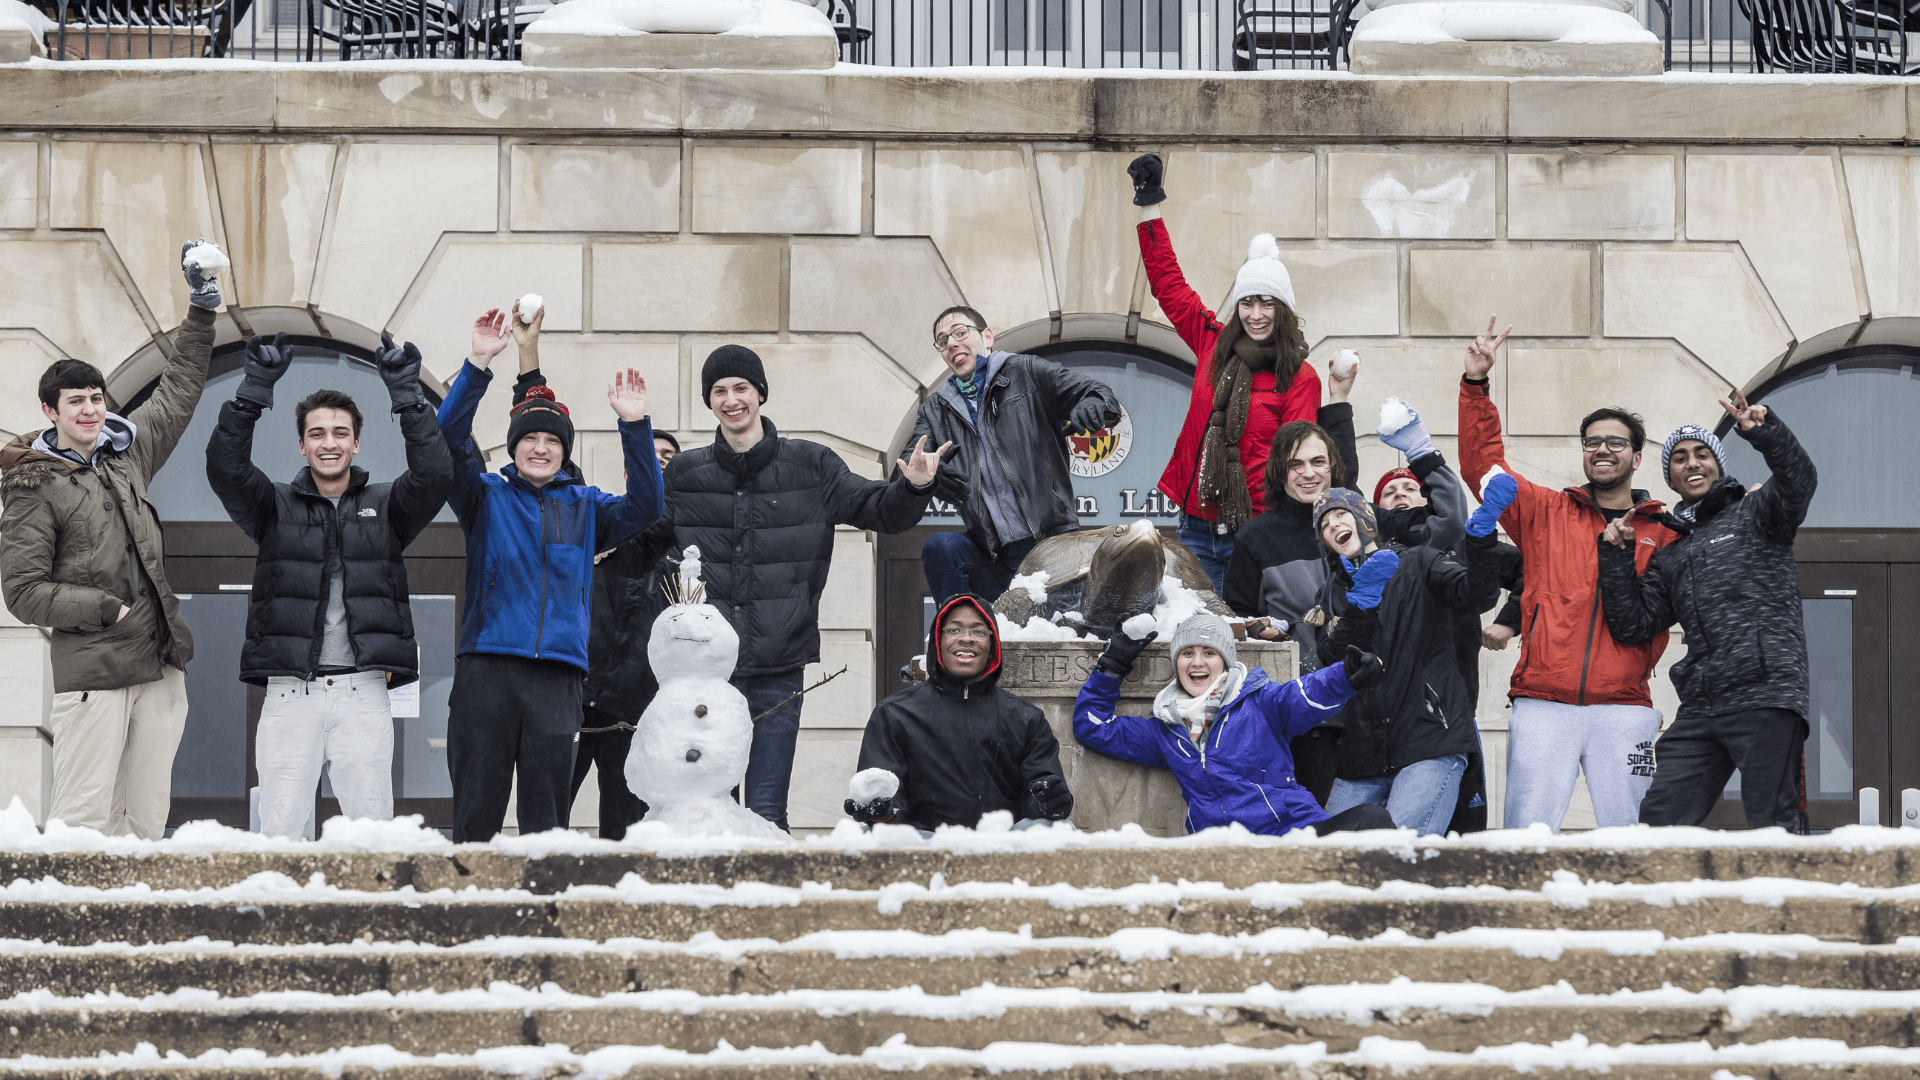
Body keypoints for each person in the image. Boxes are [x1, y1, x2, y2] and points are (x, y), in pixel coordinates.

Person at [663, 345, 947, 832]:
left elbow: (878, 509)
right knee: (708, 812)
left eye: (741, 389)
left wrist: (914, 488)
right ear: (710, 401)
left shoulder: (811, 465)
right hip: (706, 672)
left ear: (760, 394)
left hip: (779, 664)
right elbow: (645, 547)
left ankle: (767, 908)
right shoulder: (686, 475)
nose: (732, 400)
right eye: (719, 391)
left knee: (768, 811)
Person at [0, 242, 219, 839]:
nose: (91, 409)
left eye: (96, 398)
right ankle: (72, 928)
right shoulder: (32, 486)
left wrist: (202, 311)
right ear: (51, 411)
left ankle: (140, 932)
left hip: (157, 662)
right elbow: (22, 591)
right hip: (94, 670)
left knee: (145, 822)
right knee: (83, 821)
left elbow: (176, 393)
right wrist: (102, 608)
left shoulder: (128, 455)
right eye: (77, 402)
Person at [204, 332, 453, 840]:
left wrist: (407, 396)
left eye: (340, 433)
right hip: (291, 693)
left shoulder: (386, 507)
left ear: (356, 443)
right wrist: (253, 390)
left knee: (370, 835)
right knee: (279, 831)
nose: (329, 442)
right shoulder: (274, 507)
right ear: (302, 444)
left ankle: (366, 920)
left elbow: (434, 475)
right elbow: (224, 468)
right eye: (317, 434)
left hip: (363, 692)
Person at [436, 306, 664, 843]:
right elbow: (443, 442)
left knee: (547, 826)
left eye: (553, 441)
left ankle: (543, 919)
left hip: (558, 680)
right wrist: (477, 365)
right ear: (515, 446)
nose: (541, 448)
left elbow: (648, 506)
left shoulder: (588, 508)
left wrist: (634, 425)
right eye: (530, 439)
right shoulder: (485, 496)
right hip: (487, 672)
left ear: (564, 451)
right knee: (476, 819)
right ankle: (472, 915)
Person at [1458, 315, 1680, 832]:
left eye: (1615, 442)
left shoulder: (1664, 532)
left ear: (1637, 456)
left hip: (1627, 708)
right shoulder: (1545, 512)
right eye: (1592, 441)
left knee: (1634, 841)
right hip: (1543, 703)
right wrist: (1475, 385)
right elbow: (1482, 468)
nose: (1602, 449)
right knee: (1526, 839)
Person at [1221, 398, 1466, 807]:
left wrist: (1422, 452)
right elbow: (1240, 629)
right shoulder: (1255, 538)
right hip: (1312, 718)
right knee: (1322, 841)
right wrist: (1270, 631)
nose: (1308, 473)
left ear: (1333, 465)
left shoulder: (1371, 518)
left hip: (1391, 710)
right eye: (1296, 464)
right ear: (1280, 471)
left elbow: (1450, 520)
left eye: (1318, 461)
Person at [1597, 395, 1817, 830]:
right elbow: (1632, 624)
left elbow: (1799, 479)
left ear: (1717, 464)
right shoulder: (1672, 553)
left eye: (1701, 454)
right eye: (1679, 458)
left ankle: (1790, 899)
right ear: (1671, 479)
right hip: (1701, 707)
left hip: (1765, 697)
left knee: (1774, 827)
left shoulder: (1757, 514)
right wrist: (1617, 559)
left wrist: (1764, 432)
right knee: (1659, 823)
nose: (1691, 463)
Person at [504, 315, 677, 840]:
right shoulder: (583, 515)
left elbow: (654, 508)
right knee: (544, 820)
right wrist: (527, 354)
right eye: (651, 456)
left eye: (669, 459)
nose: (659, 463)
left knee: (622, 830)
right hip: (573, 699)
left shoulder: (666, 546)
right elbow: (545, 449)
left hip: (631, 710)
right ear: (630, 468)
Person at [1127, 152, 1326, 592]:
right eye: (1247, 302)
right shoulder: (1212, 343)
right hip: (1196, 526)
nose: (1256, 315)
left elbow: (1297, 464)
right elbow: (1167, 285)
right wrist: (1149, 204)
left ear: (1284, 310)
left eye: (1267, 303)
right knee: (1198, 639)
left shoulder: (1299, 377)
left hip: (1255, 533)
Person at [1073, 610, 1393, 836]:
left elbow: (1304, 695)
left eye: (1209, 652)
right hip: (1225, 850)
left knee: (1373, 820)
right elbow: (1093, 727)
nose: (1197, 662)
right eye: (1187, 653)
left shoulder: (1261, 702)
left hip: (1293, 833)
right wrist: (1113, 665)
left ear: (1224, 662)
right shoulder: (1167, 729)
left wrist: (1345, 677)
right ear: (1177, 663)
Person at [1312, 489, 1503, 835]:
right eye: (1324, 525)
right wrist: (1361, 607)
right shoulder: (1330, 595)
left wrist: (1481, 538)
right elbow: (1333, 661)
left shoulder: (1419, 561)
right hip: (1361, 756)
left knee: (1397, 856)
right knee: (1329, 863)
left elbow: (1476, 595)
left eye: (1340, 514)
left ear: (1366, 518)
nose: (1333, 525)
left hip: (1429, 739)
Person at [911, 305, 1120, 603]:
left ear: (987, 336)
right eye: (943, 341)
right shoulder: (935, 409)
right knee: (940, 548)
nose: (952, 343)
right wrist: (922, 478)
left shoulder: (1025, 371)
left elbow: (1094, 391)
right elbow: (912, 461)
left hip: (1051, 548)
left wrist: (1093, 405)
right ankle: (959, 629)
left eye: (960, 332)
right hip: (992, 556)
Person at [1371, 462, 1525, 834]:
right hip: (1379, 720)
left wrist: (1509, 620)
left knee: (1461, 831)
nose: (1400, 496)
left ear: (1428, 497)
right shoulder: (1366, 555)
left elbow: (1533, 567)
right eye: (1389, 493)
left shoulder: (1458, 544)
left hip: (1449, 711)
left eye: (1409, 488)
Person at [846, 594, 1073, 833]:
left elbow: (1040, 785)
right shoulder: (894, 715)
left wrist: (1047, 801)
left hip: (1003, 849)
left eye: (978, 631)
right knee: (864, 837)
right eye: (954, 630)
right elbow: (886, 791)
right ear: (938, 639)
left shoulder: (1026, 719)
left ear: (992, 644)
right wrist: (884, 811)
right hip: (923, 849)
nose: (966, 639)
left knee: (1059, 830)